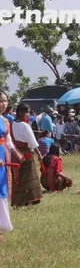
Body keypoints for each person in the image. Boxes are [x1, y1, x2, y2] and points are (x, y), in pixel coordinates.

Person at [11, 103, 43, 207]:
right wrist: (39, 155)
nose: (29, 114)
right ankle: (30, 200)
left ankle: (18, 201)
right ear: (21, 113)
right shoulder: (25, 126)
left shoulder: (11, 124)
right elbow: (32, 143)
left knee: (18, 177)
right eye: (27, 112)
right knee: (29, 176)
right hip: (26, 153)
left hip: (15, 153)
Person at [0, 91, 23, 239]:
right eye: (1, 101)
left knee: (1, 189)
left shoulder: (5, 120)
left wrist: (16, 153)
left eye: (5, 101)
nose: (4, 104)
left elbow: (8, 141)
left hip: (2, 156)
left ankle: (3, 224)